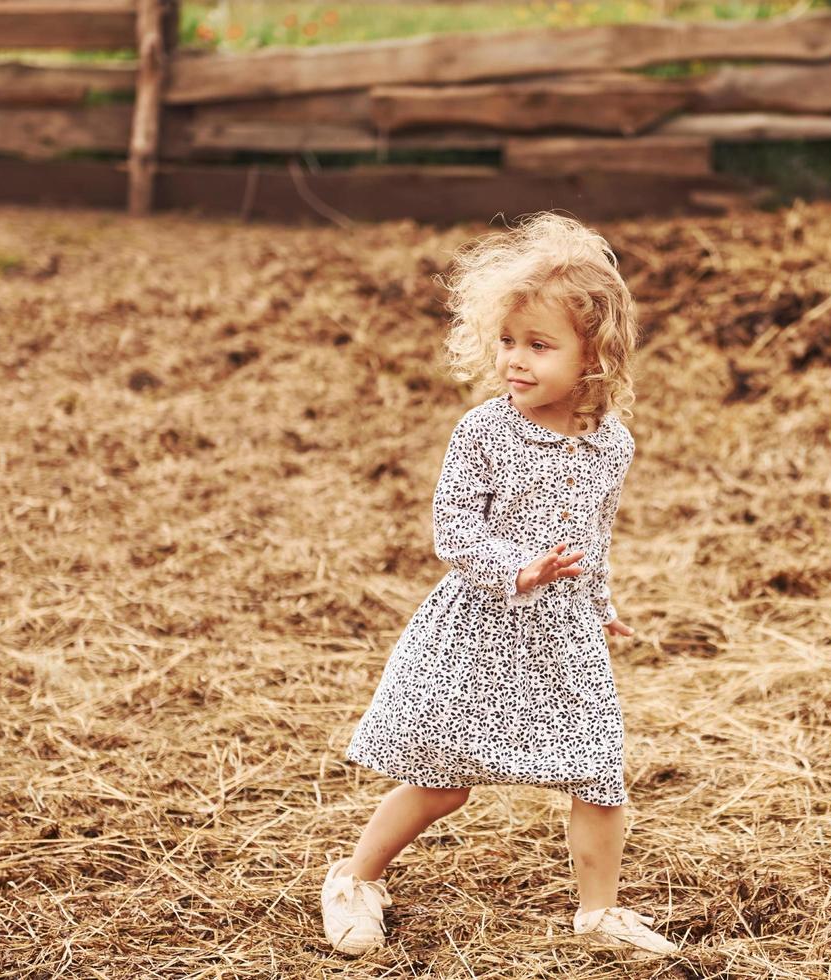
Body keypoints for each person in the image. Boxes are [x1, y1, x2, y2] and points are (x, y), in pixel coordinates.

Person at [321, 212, 678, 959]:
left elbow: (595, 533)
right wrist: (518, 568)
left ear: (596, 355)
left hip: (565, 633)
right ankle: (354, 880)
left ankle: (599, 913)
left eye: (540, 346)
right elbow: (452, 530)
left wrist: (601, 603)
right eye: (508, 341)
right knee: (444, 780)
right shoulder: (484, 431)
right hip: (482, 622)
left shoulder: (612, 442)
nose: (515, 360)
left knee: (598, 772)